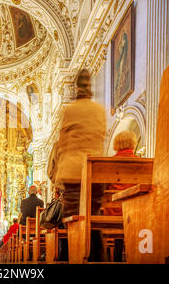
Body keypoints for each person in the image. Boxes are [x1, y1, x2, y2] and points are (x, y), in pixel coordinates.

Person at [48, 69, 107, 262]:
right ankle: (99, 258)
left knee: (73, 220)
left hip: (74, 172)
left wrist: (57, 175)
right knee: (93, 217)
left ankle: (71, 257)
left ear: (76, 89)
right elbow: (101, 138)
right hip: (97, 172)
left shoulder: (70, 110)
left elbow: (62, 144)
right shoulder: (99, 110)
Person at [106, 130, 139, 262]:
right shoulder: (142, 162)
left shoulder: (108, 163)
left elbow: (103, 188)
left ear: (116, 144)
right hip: (136, 211)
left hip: (114, 210)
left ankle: (116, 257)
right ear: (133, 143)